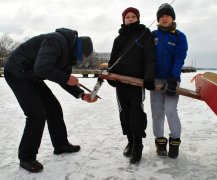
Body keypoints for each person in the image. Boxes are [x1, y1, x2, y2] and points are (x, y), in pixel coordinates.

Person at [4, 28, 98, 173]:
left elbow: (62, 78)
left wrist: (81, 94)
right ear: (79, 49)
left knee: (53, 108)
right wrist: (67, 78)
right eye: (83, 56)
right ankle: (26, 158)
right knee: (36, 115)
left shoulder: (67, 53)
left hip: (32, 75)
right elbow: (42, 68)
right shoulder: (56, 41)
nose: (82, 59)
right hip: (17, 72)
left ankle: (61, 145)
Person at [107, 7, 156, 164]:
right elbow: (113, 60)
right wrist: (111, 76)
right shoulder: (118, 39)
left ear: (138, 18)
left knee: (136, 112)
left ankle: (138, 144)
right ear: (123, 19)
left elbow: (150, 58)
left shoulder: (144, 34)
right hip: (121, 82)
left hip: (137, 82)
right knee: (124, 112)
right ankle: (130, 140)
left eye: (133, 16)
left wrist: (148, 77)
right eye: (127, 17)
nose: (130, 19)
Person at [150, 3, 188, 159]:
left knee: (171, 110)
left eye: (167, 15)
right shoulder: (152, 35)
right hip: (155, 81)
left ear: (172, 17)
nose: (164, 18)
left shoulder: (180, 36)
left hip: (171, 80)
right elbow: (145, 55)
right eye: (161, 16)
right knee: (157, 113)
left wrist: (173, 78)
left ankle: (174, 141)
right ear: (158, 19)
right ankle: (160, 142)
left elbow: (179, 58)